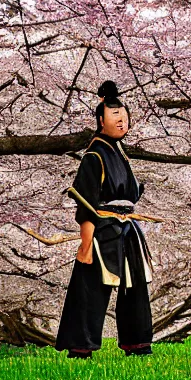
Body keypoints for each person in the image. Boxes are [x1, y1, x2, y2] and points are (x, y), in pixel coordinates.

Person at [55, 80, 155, 360]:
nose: (121, 120)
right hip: (103, 229)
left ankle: (138, 344)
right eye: (114, 116)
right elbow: (86, 202)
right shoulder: (94, 155)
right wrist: (86, 243)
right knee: (90, 289)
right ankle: (80, 347)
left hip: (128, 229)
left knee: (135, 287)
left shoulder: (119, 153)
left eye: (124, 115)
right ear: (101, 121)